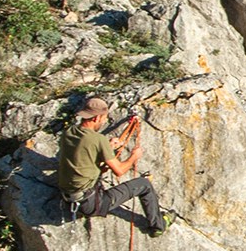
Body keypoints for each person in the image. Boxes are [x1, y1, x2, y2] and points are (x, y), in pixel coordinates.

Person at [55, 92, 167, 234]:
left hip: (67, 197)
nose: (103, 123)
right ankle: (159, 226)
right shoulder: (98, 139)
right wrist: (134, 157)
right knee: (144, 184)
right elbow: (119, 170)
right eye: (103, 119)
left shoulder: (69, 132)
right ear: (97, 117)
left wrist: (108, 148)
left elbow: (82, 154)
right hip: (90, 203)